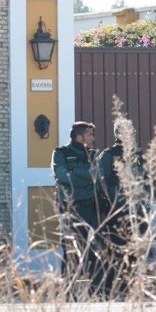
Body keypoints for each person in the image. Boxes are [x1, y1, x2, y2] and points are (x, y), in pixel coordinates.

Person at [94, 118, 145, 298]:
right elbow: (101, 183)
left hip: (136, 211)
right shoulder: (107, 155)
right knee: (114, 251)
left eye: (131, 132)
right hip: (115, 212)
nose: (130, 135)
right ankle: (111, 290)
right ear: (116, 134)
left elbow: (144, 181)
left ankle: (131, 288)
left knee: (134, 251)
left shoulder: (136, 155)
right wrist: (114, 203)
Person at [51, 121, 98, 299]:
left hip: (90, 206)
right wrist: (84, 174)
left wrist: (75, 172)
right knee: (70, 250)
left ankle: (94, 292)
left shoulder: (93, 154)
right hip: (68, 207)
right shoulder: (60, 153)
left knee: (93, 250)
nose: (93, 138)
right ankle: (68, 293)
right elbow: (61, 175)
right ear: (80, 137)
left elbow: (96, 175)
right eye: (90, 134)